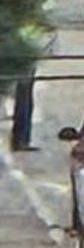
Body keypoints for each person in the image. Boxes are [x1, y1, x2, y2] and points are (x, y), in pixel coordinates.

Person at [8, 22, 50, 152]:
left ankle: (21, 139)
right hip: (23, 48)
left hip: (22, 45)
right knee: (24, 94)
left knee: (24, 94)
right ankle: (21, 139)